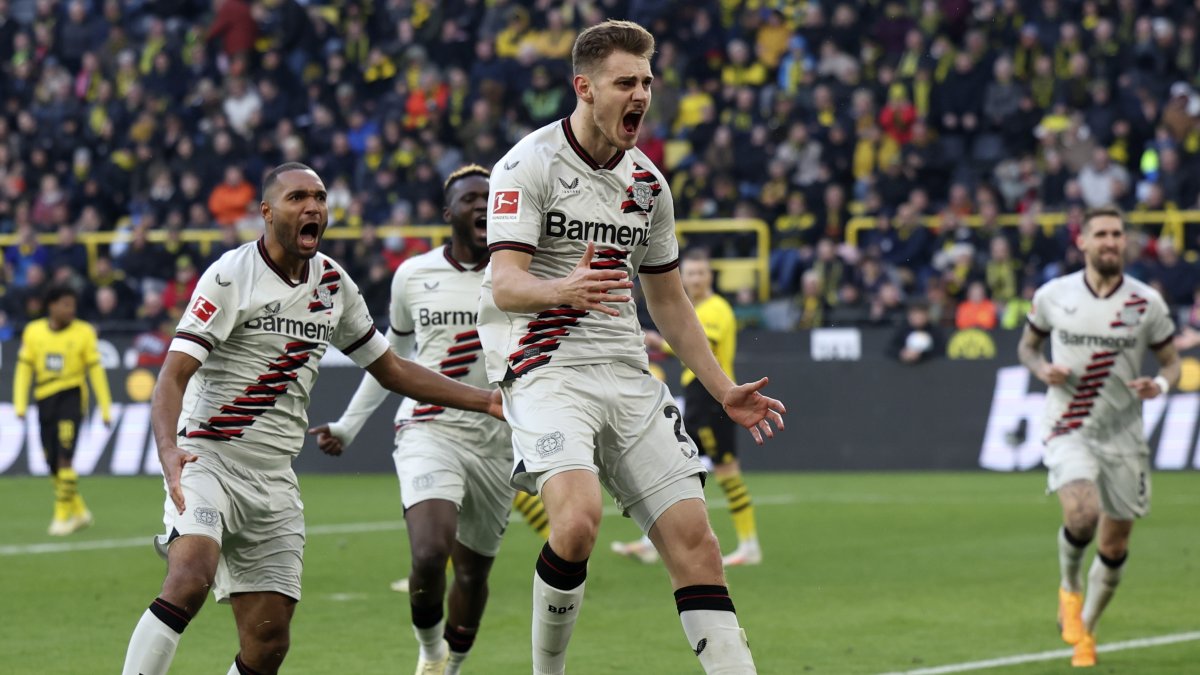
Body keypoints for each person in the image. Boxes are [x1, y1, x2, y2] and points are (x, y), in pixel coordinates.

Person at [479, 20, 785, 674]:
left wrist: (721, 384)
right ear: (584, 88)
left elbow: (669, 300)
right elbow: (503, 283)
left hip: (627, 373)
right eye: (626, 82)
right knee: (578, 521)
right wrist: (565, 287)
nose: (641, 94)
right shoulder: (527, 164)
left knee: (696, 542)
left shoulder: (648, 185)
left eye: (647, 81)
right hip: (546, 372)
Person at [121, 163, 502, 675]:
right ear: (267, 212)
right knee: (190, 576)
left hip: (275, 477)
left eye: (320, 197)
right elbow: (172, 375)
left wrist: (484, 400)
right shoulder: (231, 275)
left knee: (269, 642)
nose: (314, 208)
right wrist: (170, 453)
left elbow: (391, 368)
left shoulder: (333, 285)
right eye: (298, 197)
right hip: (208, 458)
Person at [309, 164, 547, 675]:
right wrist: (349, 425)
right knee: (429, 551)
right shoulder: (413, 276)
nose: (482, 206)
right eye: (470, 200)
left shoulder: (528, 275)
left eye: (491, 198)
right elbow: (389, 359)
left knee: (472, 576)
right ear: (449, 213)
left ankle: (452, 664)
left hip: (500, 444)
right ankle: (429, 649)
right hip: (429, 427)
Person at [1018, 206, 1179, 668]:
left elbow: (1170, 362)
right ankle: (1069, 589)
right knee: (1082, 514)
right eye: (1101, 234)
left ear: (1125, 241)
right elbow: (1027, 347)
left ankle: (1085, 630)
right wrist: (1041, 369)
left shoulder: (1146, 303)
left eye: (1117, 233)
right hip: (1070, 426)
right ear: (1083, 242)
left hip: (1125, 434)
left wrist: (1161, 385)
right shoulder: (1054, 295)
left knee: (1114, 544)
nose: (1110, 241)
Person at [612, 249, 762, 566]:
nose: (695, 278)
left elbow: (703, 346)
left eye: (700, 273)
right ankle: (653, 542)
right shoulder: (696, 308)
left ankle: (749, 545)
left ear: (710, 276)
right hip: (699, 396)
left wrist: (658, 341)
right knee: (675, 463)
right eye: (690, 273)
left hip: (712, 397)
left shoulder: (716, 308)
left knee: (722, 470)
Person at [13, 284, 112, 535]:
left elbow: (96, 371)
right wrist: (20, 403)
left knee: (65, 456)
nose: (71, 310)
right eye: (66, 304)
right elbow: (25, 368)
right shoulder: (33, 332)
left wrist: (105, 408)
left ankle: (60, 517)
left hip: (72, 395)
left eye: (73, 305)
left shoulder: (84, 332)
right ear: (52, 306)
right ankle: (79, 512)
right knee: (51, 462)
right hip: (44, 399)